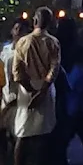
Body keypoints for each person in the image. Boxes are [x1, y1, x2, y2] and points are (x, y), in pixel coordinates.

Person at [12, 6, 61, 165]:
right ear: (50, 23)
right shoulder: (53, 42)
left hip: (27, 91)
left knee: (23, 132)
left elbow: (17, 72)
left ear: (34, 21)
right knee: (44, 132)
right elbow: (54, 69)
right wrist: (42, 92)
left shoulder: (22, 42)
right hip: (46, 91)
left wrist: (30, 90)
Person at [1, 19, 31, 163]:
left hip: (18, 99)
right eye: (16, 28)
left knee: (17, 136)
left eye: (22, 29)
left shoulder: (27, 52)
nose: (18, 31)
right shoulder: (5, 50)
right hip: (5, 96)